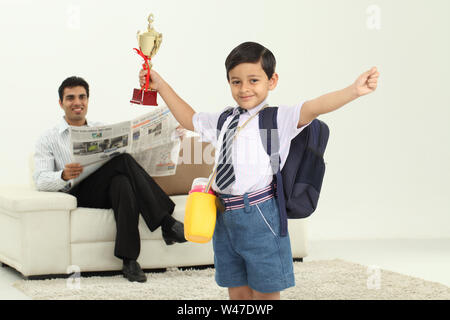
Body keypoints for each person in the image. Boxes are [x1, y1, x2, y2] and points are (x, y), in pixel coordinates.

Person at [139, 41, 380, 299]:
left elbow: (315, 106)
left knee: (265, 290)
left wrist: (353, 90)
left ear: (272, 80)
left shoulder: (277, 118)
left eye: (253, 80)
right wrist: (161, 86)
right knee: (237, 289)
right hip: (224, 214)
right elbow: (189, 119)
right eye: (236, 82)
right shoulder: (225, 119)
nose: (244, 89)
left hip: (260, 215)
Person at [33, 76, 187, 283]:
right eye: (70, 98)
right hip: (78, 191)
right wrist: (62, 175)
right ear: (61, 103)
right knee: (122, 162)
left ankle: (129, 260)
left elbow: (136, 159)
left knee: (122, 182)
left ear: (88, 100)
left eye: (82, 97)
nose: (77, 102)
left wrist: (171, 137)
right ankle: (167, 223)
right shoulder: (48, 138)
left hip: (106, 189)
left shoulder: (101, 128)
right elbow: (41, 179)